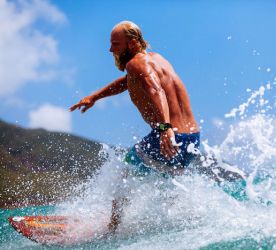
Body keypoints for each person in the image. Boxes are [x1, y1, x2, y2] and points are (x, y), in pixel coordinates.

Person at [70, 21, 200, 230]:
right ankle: (175, 224)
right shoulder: (157, 60)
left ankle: (112, 229)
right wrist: (95, 96)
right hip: (192, 139)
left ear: (131, 44)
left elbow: (155, 90)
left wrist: (164, 128)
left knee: (123, 171)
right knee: (167, 181)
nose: (111, 49)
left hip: (169, 136)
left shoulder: (136, 64)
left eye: (115, 44)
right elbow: (128, 82)